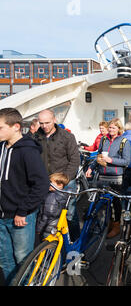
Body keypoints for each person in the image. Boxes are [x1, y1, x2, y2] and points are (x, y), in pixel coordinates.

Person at [0, 108, 49, 285]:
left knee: (23, 260)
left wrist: (23, 211)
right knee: (5, 261)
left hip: (20, 216)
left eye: (0, 127)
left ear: (16, 127)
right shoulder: (1, 148)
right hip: (1, 216)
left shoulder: (28, 151)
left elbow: (41, 184)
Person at [33, 109, 80, 239]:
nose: (44, 126)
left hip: (64, 182)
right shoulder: (34, 138)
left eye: (47, 122)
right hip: (43, 182)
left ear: (54, 120)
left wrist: (62, 180)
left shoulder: (67, 137)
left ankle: (75, 244)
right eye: (41, 123)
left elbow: (75, 160)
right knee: (44, 215)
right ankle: (46, 246)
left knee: (69, 215)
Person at [86, 118, 131, 238]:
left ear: (119, 129)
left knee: (116, 202)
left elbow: (126, 161)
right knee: (104, 202)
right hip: (102, 176)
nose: (111, 130)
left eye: (113, 128)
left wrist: (111, 160)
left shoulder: (124, 142)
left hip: (116, 177)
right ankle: (108, 223)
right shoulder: (104, 139)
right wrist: (91, 168)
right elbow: (99, 156)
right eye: (110, 127)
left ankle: (116, 226)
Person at [36, 172, 69, 239]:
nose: (49, 184)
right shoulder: (63, 194)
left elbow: (46, 215)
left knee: (44, 247)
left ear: (60, 185)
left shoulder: (52, 196)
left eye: (51, 182)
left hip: (47, 228)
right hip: (54, 227)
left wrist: (39, 229)